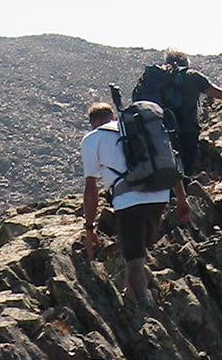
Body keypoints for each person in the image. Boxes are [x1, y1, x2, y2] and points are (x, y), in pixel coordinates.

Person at [81, 102, 191, 311]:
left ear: (92, 122)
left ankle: (148, 312)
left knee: (134, 260)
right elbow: (168, 161)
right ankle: (130, 296)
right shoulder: (139, 131)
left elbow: (91, 189)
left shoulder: (92, 139)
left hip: (128, 201)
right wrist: (182, 200)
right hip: (159, 196)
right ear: (113, 116)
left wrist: (89, 227)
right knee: (139, 250)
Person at [133, 50, 222, 177]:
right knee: (185, 172)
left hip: (158, 133)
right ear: (186, 62)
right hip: (187, 132)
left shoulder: (154, 79)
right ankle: (183, 194)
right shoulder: (192, 76)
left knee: (162, 171)